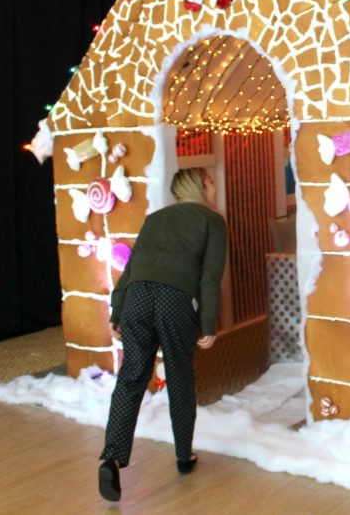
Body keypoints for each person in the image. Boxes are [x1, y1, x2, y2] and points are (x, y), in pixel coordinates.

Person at [98, 167, 227, 502]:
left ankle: (111, 457)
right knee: (180, 375)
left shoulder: (155, 219)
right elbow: (210, 279)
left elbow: (131, 268)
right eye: (210, 181)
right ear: (198, 186)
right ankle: (184, 457)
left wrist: (118, 309)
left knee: (131, 377)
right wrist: (209, 323)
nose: (214, 186)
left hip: (138, 298)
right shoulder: (212, 222)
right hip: (175, 299)